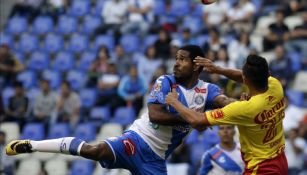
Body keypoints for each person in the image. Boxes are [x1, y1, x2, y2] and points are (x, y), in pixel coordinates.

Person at [6, 45, 234, 175]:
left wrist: (243, 102)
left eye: (182, 60)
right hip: (137, 140)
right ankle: (31, 145)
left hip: (156, 159)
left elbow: (227, 103)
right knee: (94, 151)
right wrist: (189, 118)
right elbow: (155, 114)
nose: (176, 63)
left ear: (196, 65)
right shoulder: (165, 81)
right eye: (175, 58)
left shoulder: (208, 90)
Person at [165, 54, 288, 174]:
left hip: (261, 168)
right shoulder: (276, 86)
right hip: (280, 160)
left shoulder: (244, 108)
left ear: (245, 79)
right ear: (268, 74)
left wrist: (174, 102)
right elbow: (244, 76)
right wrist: (218, 69)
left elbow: (197, 120)